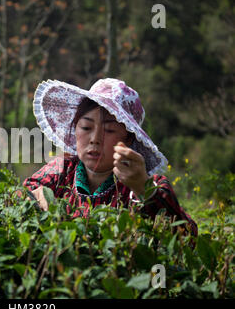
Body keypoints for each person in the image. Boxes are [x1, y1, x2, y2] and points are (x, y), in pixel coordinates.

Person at [23, 78, 198, 237]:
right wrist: (36, 195)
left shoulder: (147, 186)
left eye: (109, 130)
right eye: (86, 127)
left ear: (128, 139)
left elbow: (186, 236)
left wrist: (143, 189)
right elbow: (22, 193)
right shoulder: (62, 170)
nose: (95, 139)